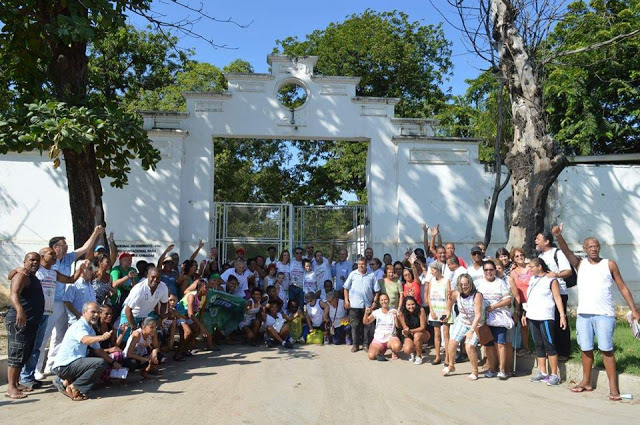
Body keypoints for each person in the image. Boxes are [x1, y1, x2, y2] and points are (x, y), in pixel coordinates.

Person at [554, 224, 640, 400]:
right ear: (585, 249)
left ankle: (613, 389)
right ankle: (586, 382)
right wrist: (558, 236)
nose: (593, 249)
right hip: (584, 315)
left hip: (604, 315)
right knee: (586, 349)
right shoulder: (580, 263)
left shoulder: (609, 264)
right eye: (590, 246)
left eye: (596, 246)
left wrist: (634, 310)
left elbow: (622, 287)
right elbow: (565, 250)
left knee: (606, 350)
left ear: (599, 248)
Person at [44, 226, 104, 377]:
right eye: (63, 245)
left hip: (60, 300)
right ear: (54, 247)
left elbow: (84, 248)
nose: (66, 248)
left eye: (66, 245)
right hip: (48, 301)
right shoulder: (48, 261)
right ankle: (38, 370)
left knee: (59, 335)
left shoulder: (68, 258)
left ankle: (51, 365)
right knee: (45, 336)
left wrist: (96, 233)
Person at [51, 302, 121, 401]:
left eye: (98, 312)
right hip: (64, 366)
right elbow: (85, 340)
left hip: (73, 365)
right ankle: (74, 387)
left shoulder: (90, 329)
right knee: (99, 363)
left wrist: (113, 362)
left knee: (99, 361)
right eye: (93, 312)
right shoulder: (79, 326)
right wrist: (101, 337)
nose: (96, 315)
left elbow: (99, 351)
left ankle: (65, 382)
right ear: (84, 312)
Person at [5, 253, 44, 399]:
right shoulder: (21, 275)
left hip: (30, 322)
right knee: (16, 352)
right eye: (32, 260)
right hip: (18, 321)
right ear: (25, 261)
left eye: (37, 260)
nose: (35, 262)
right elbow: (14, 294)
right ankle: (11, 388)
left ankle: (16, 383)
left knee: (23, 353)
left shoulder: (31, 276)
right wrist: (20, 310)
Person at [523, 258, 567, 386]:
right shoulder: (532, 279)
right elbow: (529, 297)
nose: (529, 269)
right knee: (538, 345)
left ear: (539, 266)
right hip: (533, 316)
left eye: (531, 266)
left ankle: (554, 374)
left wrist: (562, 316)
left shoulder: (551, 279)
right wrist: (525, 313)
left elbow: (558, 298)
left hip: (546, 316)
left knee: (550, 345)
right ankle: (542, 372)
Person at [535, 230, 572, 360]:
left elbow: (567, 271)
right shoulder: (541, 256)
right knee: (549, 322)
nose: (535, 241)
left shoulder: (558, 253)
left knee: (559, 321)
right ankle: (551, 349)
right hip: (545, 294)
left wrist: (556, 275)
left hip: (559, 292)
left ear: (547, 241)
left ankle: (563, 352)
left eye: (538, 238)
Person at [442, 274, 484, 380]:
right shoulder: (457, 293)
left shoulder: (477, 295)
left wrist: (471, 330)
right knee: (452, 342)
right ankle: (451, 366)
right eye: (461, 284)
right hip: (462, 321)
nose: (464, 286)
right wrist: (447, 312)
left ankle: (475, 371)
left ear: (470, 283)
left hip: (476, 323)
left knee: (469, 346)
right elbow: (450, 302)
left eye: (466, 284)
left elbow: (478, 315)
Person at [476, 259, 513, 380]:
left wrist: (493, 307)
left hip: (499, 318)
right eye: (486, 270)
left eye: (491, 270)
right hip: (484, 319)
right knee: (489, 346)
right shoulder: (479, 283)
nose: (488, 272)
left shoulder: (501, 283)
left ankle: (502, 370)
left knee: (500, 344)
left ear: (495, 271)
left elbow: (508, 300)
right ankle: (492, 368)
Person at [119, 267, 169, 341]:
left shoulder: (163, 287)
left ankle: (151, 352)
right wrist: (133, 327)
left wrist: (160, 319)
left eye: (158, 278)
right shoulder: (139, 289)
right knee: (125, 339)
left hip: (147, 314)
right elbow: (128, 310)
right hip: (131, 315)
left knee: (151, 336)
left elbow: (164, 303)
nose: (155, 280)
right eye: (153, 277)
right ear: (147, 276)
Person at [344, 257, 380, 353]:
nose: (361, 265)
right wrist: (346, 301)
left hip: (367, 306)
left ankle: (365, 344)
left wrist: (375, 302)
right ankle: (355, 344)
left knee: (367, 326)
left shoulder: (371, 275)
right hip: (354, 305)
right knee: (354, 326)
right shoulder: (352, 274)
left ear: (366, 264)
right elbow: (346, 288)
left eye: (363, 264)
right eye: (359, 264)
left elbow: (377, 290)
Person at [362, 293, 401, 361]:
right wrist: (366, 313)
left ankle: (393, 351)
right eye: (382, 300)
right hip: (379, 339)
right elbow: (366, 322)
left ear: (388, 300)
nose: (384, 301)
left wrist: (396, 318)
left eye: (385, 299)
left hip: (390, 338)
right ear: (379, 302)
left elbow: (398, 326)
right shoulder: (377, 312)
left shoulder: (394, 311)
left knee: (397, 346)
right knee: (371, 356)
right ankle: (380, 350)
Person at [426, 261, 450, 365]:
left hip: (444, 310)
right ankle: (437, 356)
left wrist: (447, 310)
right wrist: (431, 310)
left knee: (446, 334)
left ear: (439, 270)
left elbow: (449, 296)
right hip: (435, 310)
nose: (431, 272)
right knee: (437, 334)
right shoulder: (431, 281)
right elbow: (429, 296)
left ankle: (448, 358)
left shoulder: (446, 280)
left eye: (433, 269)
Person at [509, 247, 532, 356]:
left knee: (535, 325)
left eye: (521, 255)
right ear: (513, 259)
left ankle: (539, 347)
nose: (520, 257)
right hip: (521, 301)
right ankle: (526, 347)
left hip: (533, 300)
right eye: (516, 256)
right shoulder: (513, 272)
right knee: (524, 325)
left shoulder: (531, 268)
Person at [397, 296, 428, 364]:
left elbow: (423, 327)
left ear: (415, 304)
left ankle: (419, 356)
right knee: (407, 350)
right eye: (408, 305)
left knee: (417, 336)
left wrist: (410, 331)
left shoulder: (420, 309)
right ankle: (414, 350)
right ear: (405, 305)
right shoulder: (402, 312)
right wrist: (406, 330)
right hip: (409, 334)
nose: (411, 306)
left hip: (422, 333)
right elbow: (403, 327)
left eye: (413, 304)